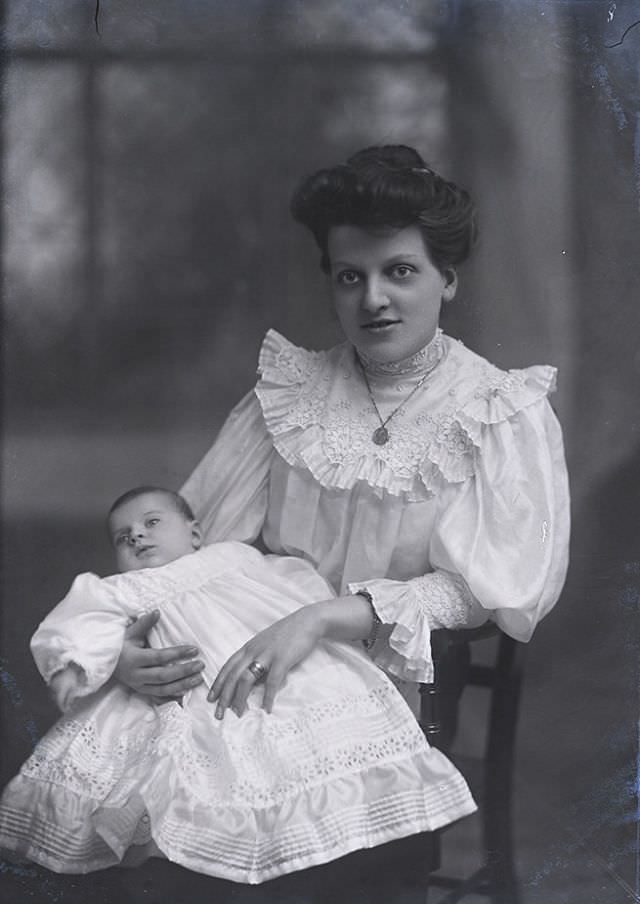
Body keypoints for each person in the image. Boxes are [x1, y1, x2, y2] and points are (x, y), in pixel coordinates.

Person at [114, 144, 571, 894]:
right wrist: (131, 651)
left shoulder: (498, 412)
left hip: (398, 683)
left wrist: (327, 618)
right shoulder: (289, 395)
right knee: (167, 793)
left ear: (447, 280)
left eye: (401, 272)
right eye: (350, 276)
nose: (373, 301)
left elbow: (494, 592)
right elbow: (189, 550)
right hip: (256, 668)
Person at [0, 487, 475, 886]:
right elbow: (80, 621)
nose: (138, 536)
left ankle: (337, 840)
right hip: (201, 687)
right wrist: (72, 668)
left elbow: (296, 583)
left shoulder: (233, 556)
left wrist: (327, 630)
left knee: (308, 728)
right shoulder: (123, 590)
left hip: (271, 662)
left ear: (195, 533)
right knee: (190, 745)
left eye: (151, 522)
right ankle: (171, 828)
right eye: (124, 538)